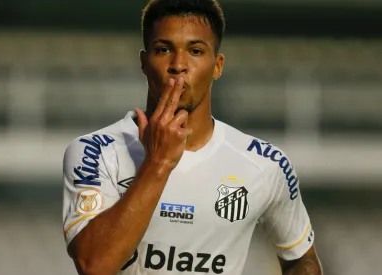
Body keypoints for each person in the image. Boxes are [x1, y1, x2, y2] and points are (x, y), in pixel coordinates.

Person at [61, 0, 323, 274]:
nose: (178, 65)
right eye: (163, 50)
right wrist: (157, 163)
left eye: (196, 51)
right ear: (143, 62)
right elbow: (93, 265)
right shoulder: (94, 152)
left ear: (218, 65)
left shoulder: (265, 164)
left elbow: (301, 258)